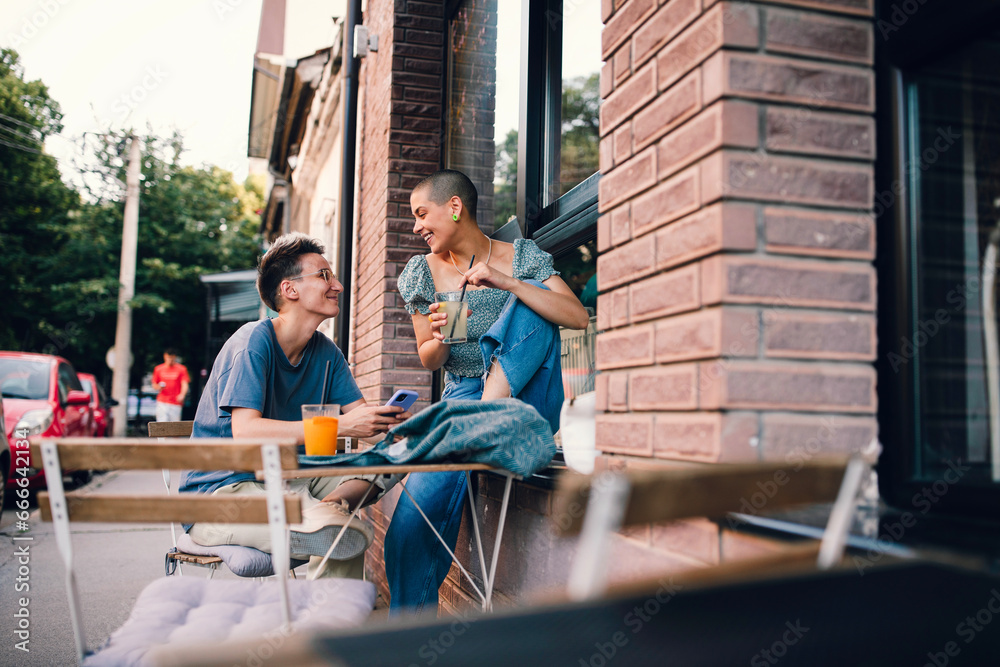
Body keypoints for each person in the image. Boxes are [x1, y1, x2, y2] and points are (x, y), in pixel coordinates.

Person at [390, 169, 589, 613]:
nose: (416, 226)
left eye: (422, 214)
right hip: (463, 394)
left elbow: (577, 317)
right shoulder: (421, 275)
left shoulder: (520, 257)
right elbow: (430, 359)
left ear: (455, 207)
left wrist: (509, 283)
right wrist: (440, 337)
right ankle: (402, 638)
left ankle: (483, 417)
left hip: (525, 394)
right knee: (414, 515)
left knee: (531, 301)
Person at [179, 233, 410, 579]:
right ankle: (327, 532)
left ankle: (333, 508)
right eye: (324, 275)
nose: (339, 286)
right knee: (344, 534)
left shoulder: (326, 352)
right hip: (225, 493)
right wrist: (343, 427)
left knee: (395, 458)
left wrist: (405, 437)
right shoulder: (252, 344)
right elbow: (245, 432)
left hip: (295, 477)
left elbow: (364, 423)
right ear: (290, 290)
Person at [152, 348, 189, 422]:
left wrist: (182, 394)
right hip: (162, 401)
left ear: (175, 357)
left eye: (172, 358)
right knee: (162, 423)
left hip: (175, 402)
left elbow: (184, 384)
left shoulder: (181, 369)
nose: (170, 360)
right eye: (168, 357)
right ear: (165, 356)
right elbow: (154, 385)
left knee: (174, 425)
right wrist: (159, 387)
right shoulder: (158, 369)